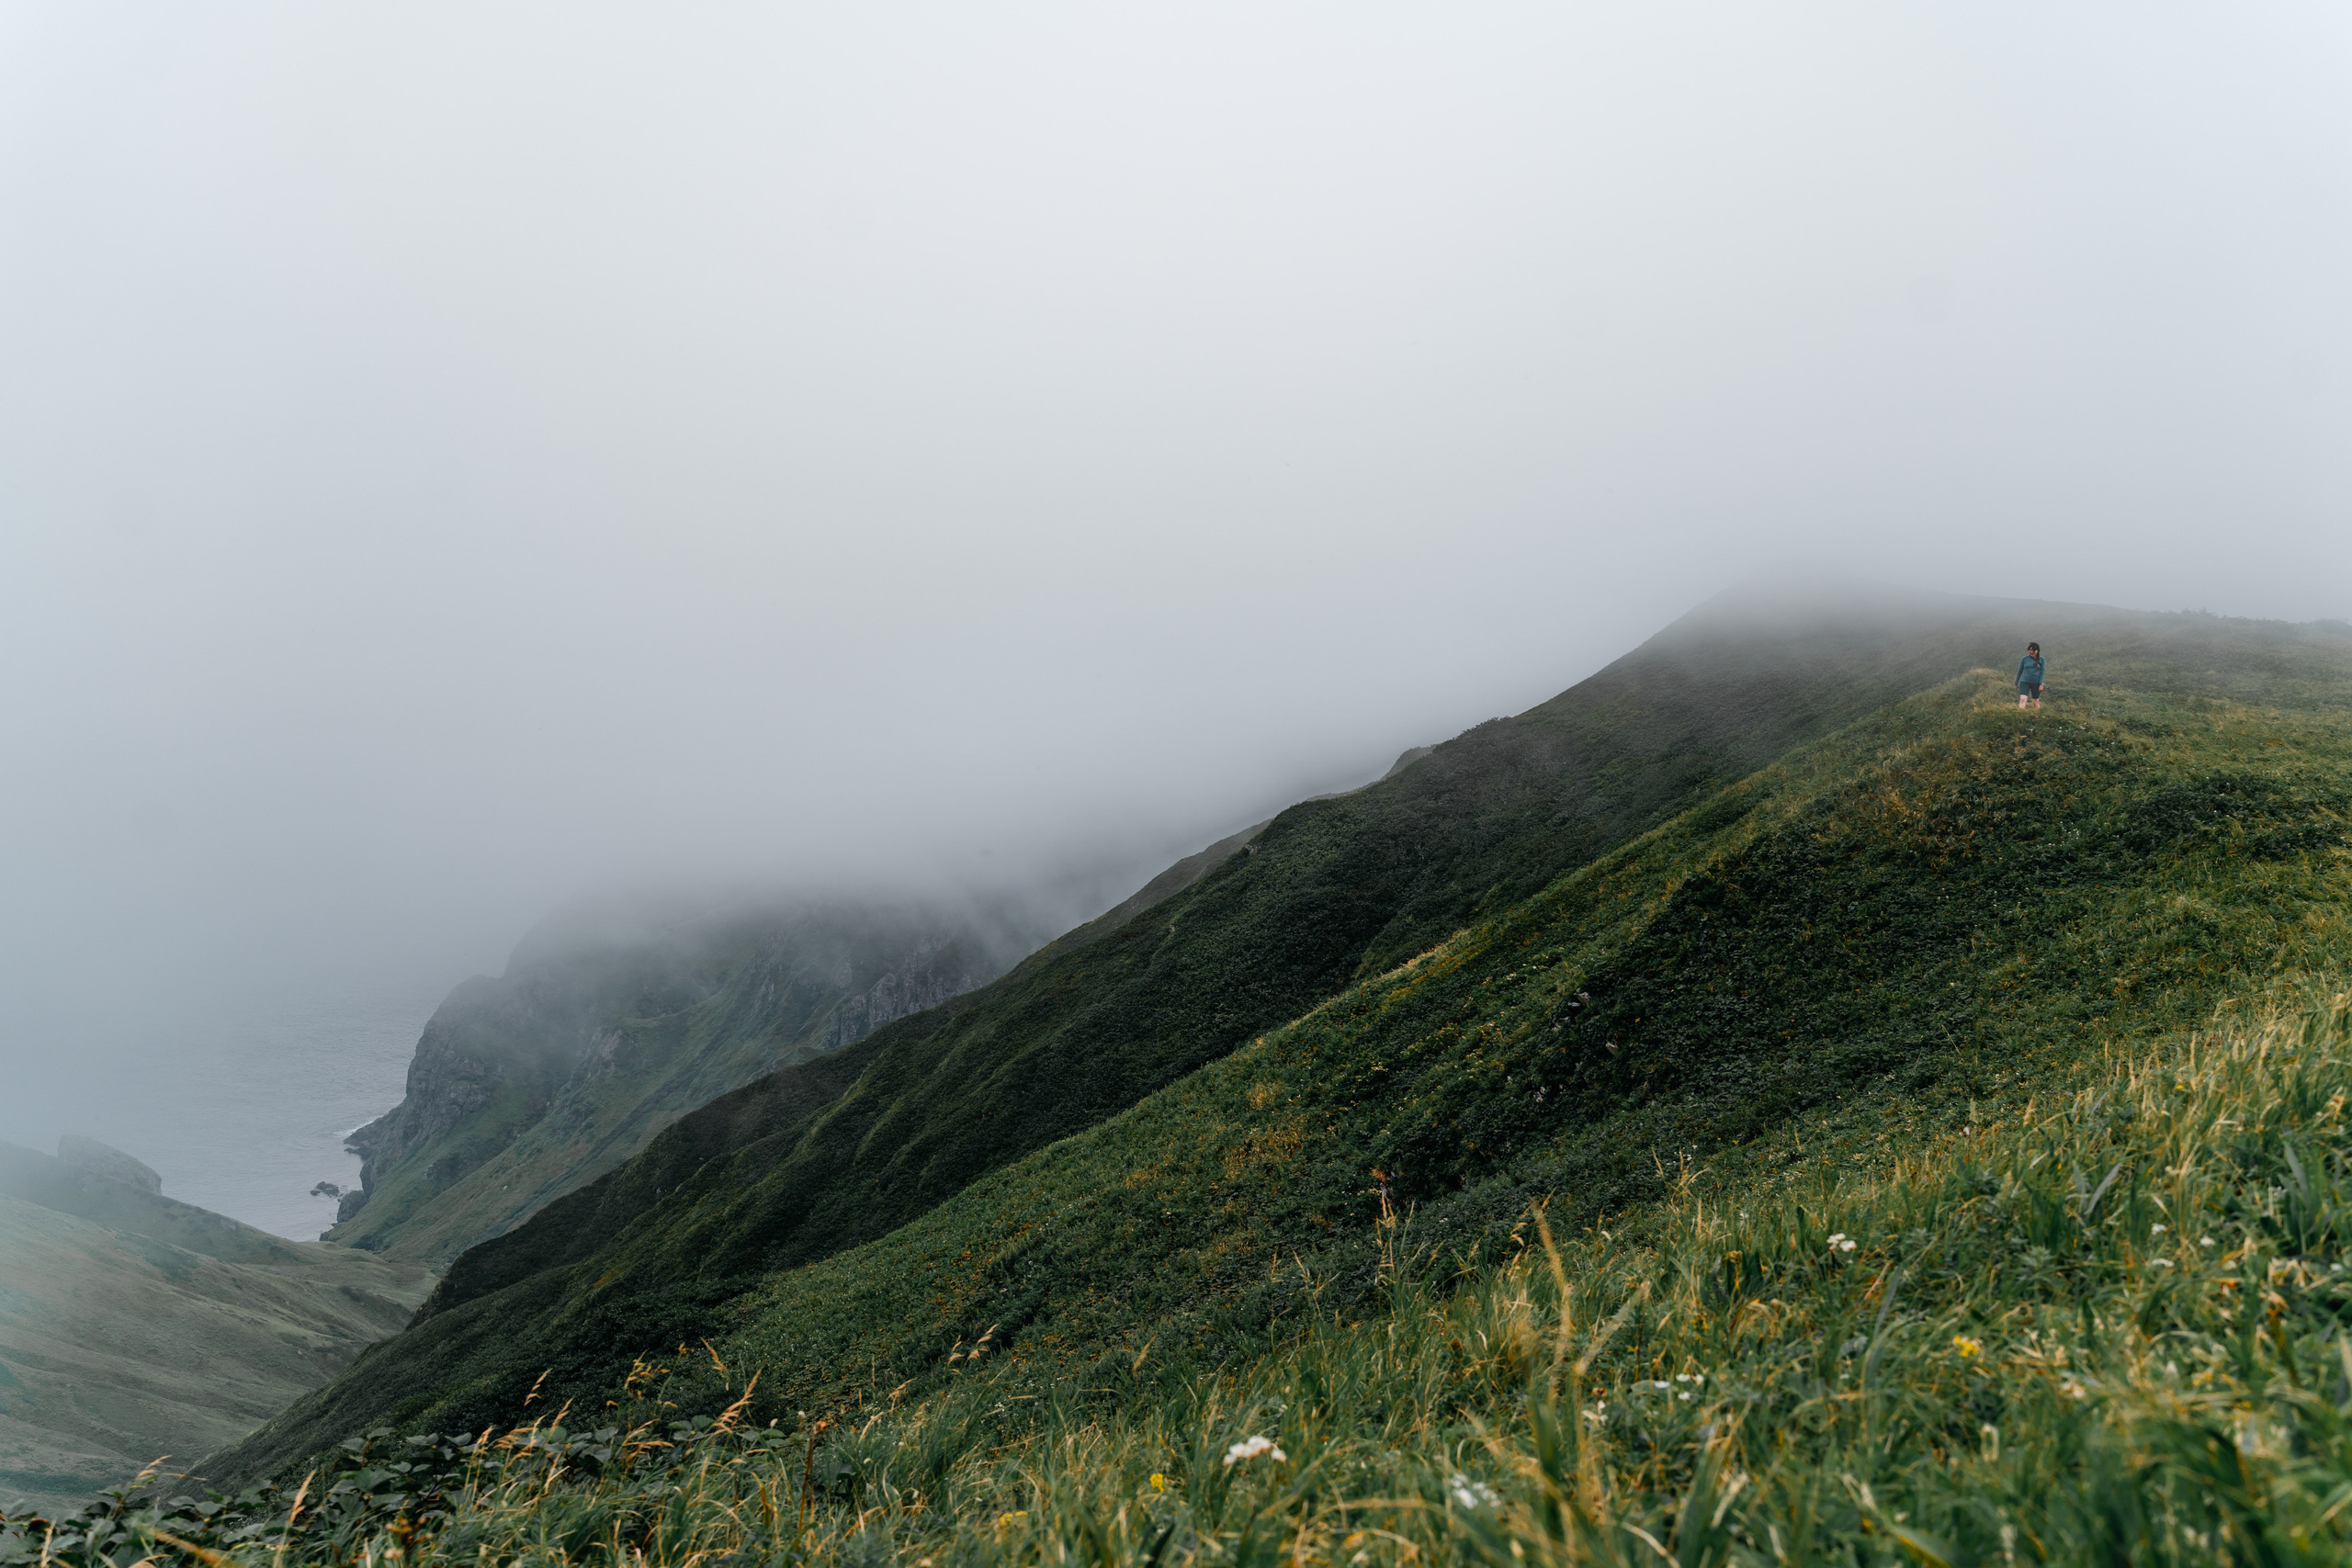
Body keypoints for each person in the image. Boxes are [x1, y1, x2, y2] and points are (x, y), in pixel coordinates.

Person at [2016, 642, 2046, 710]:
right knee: (2023, 699)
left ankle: (2037, 716)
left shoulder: (2041, 659)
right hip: (2024, 681)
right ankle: (2020, 714)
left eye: (2033, 650)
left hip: (2036, 682)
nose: (2031, 652)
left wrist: (2041, 684)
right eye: (2030, 650)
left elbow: (2042, 673)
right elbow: (2019, 671)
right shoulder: (2024, 659)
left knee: (2035, 702)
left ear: (2037, 651)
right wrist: (2016, 683)